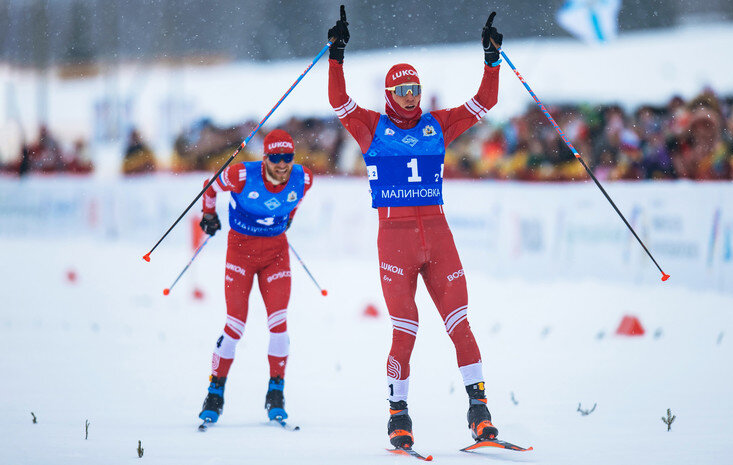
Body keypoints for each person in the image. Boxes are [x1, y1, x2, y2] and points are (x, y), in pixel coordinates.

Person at [326, 7, 503, 449]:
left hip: (439, 238)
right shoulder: (372, 126)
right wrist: (337, 55)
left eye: (416, 88)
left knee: (460, 322)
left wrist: (492, 60)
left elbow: (485, 102)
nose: (411, 95)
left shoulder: (436, 125)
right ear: (389, 93)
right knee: (406, 329)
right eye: (403, 89)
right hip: (396, 243)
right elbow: (337, 101)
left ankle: (479, 411)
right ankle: (398, 416)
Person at [196, 128, 313, 425]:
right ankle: (215, 391)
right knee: (235, 325)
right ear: (265, 158)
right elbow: (210, 186)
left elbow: (295, 202)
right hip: (241, 253)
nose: (282, 163)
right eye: (276, 157)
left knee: (279, 323)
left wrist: (287, 221)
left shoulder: (304, 178)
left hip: (276, 255)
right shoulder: (241, 175)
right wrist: (208, 215)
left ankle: (276, 392)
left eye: (288, 157)